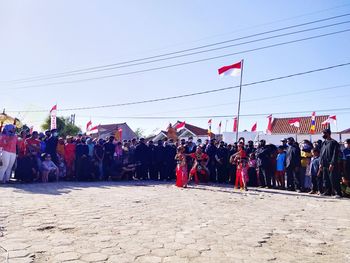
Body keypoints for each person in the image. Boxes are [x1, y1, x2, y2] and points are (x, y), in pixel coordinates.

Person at [319, 129, 342, 197]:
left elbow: (335, 154)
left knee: (333, 178)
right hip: (324, 164)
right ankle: (327, 192)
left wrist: (332, 163)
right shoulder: (323, 143)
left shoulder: (334, 142)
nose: (323, 135)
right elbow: (321, 154)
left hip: (332, 164)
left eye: (324, 133)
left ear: (328, 134)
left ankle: (337, 193)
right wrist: (321, 163)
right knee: (325, 179)